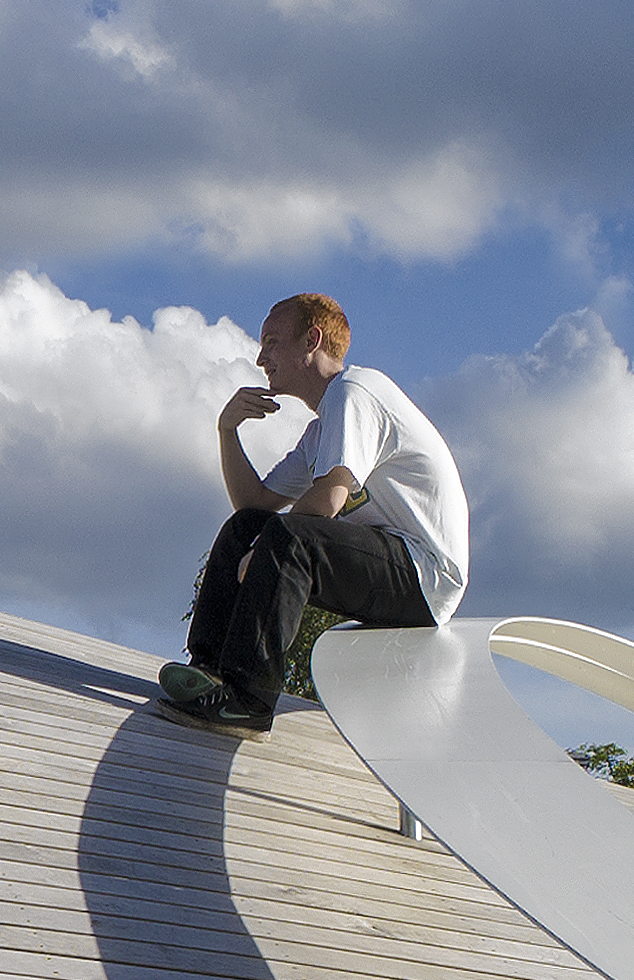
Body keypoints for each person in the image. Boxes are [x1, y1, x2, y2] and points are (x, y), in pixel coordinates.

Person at [154, 294, 471, 735]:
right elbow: (253, 507)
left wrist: (267, 549)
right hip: (390, 564)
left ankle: (249, 701)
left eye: (271, 342)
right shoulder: (320, 431)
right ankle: (209, 669)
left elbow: (328, 499)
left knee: (289, 537)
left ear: (312, 340)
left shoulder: (355, 391)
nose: (260, 357)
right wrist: (227, 431)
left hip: (425, 576)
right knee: (250, 528)